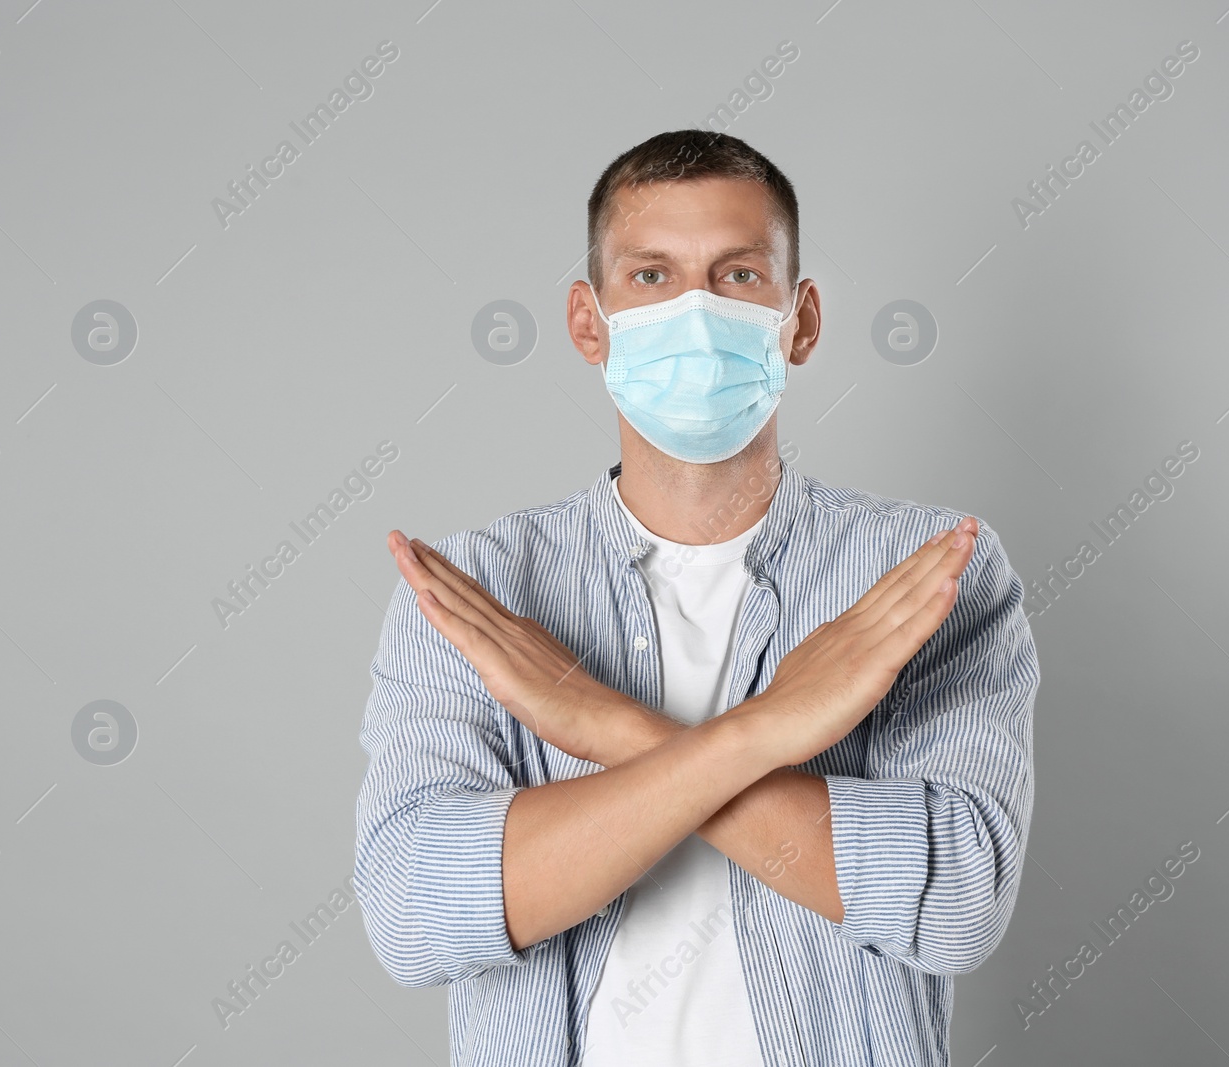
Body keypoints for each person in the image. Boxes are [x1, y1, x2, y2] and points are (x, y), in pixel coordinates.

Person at [354, 129, 1039, 1067]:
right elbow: (419, 911)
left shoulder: (922, 576)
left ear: (800, 320)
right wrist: (764, 731)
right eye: (650, 276)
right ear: (588, 322)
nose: (695, 312)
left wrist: (604, 726)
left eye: (737, 276)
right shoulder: (480, 598)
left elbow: (956, 900)